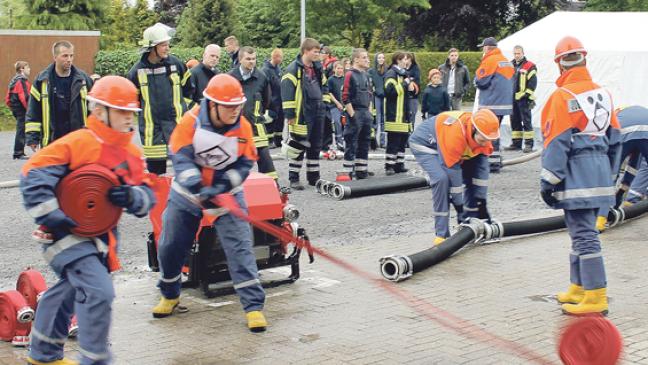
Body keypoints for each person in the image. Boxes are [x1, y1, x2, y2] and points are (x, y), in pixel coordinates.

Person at [21, 76, 156, 365]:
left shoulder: (130, 153)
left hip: (99, 239)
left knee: (70, 289)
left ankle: (43, 354)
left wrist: (132, 197)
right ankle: (95, 359)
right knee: (99, 291)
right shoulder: (78, 143)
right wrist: (51, 214)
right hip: (62, 235)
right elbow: (33, 175)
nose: (129, 118)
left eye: (132, 112)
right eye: (122, 111)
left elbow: (147, 197)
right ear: (98, 111)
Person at [153, 74, 267, 332]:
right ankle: (170, 294)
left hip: (226, 196)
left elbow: (246, 161)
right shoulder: (190, 122)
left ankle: (254, 308)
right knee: (170, 245)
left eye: (238, 106)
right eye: (229, 107)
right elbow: (180, 157)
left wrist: (224, 185)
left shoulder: (243, 127)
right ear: (212, 105)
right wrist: (197, 184)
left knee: (240, 249)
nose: (235, 111)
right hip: (187, 195)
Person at [541, 36, 620, 316]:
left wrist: (548, 180)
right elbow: (615, 138)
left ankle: (596, 295)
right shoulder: (603, 94)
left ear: (559, 65)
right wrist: (608, 173)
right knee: (578, 232)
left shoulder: (562, 97)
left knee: (585, 235)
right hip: (598, 172)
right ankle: (579, 287)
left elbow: (557, 143)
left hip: (576, 174)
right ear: (584, 59)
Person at [409, 109, 500, 245]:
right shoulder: (455, 135)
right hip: (426, 146)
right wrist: (459, 206)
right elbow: (454, 176)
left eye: (488, 140)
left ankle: (472, 225)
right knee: (441, 179)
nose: (485, 143)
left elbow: (480, 175)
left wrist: (481, 203)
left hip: (449, 146)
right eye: (483, 139)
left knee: (471, 177)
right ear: (474, 129)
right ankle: (442, 234)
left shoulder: (484, 136)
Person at [127, 23, 193, 175]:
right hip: (152, 132)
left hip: (177, 128)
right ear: (152, 47)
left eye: (167, 44)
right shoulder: (136, 72)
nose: (167, 48)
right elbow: (133, 103)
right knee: (155, 178)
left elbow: (189, 91)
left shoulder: (176, 65)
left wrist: (184, 112)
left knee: (184, 173)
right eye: (163, 45)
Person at [280, 38, 330, 190]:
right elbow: (287, 93)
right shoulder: (293, 69)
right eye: (315, 52)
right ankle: (293, 178)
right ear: (305, 51)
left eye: (318, 51)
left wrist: (325, 104)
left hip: (317, 111)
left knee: (315, 145)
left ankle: (313, 177)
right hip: (301, 113)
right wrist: (290, 114)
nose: (317, 54)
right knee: (298, 145)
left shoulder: (317, 68)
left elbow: (325, 86)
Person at [25, 41, 93, 150]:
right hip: (52, 141)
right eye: (65, 56)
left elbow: (93, 109)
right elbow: (33, 110)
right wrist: (32, 137)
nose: (69, 59)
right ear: (55, 57)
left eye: (71, 55)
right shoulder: (42, 81)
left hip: (78, 142)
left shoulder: (83, 79)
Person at [596, 105, 648, 231]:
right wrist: (622, 191)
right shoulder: (632, 110)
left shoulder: (612, 117)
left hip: (623, 133)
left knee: (610, 176)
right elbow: (633, 168)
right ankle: (629, 204)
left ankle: (600, 220)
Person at [229, 46, 277, 181]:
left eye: (254, 59)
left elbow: (267, 100)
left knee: (266, 162)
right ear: (240, 60)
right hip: (236, 128)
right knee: (235, 163)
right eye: (248, 59)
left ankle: (273, 189)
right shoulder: (230, 77)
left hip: (257, 127)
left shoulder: (261, 77)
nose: (252, 62)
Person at [474, 37, 514, 173]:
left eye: (483, 48)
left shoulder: (490, 60)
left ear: (487, 48)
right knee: (495, 131)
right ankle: (496, 161)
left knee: (488, 132)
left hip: (491, 103)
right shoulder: (505, 61)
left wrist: (476, 79)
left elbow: (481, 80)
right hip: (504, 104)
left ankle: (491, 163)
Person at [384, 51, 418, 175]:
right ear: (397, 60)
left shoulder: (405, 74)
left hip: (404, 114)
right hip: (394, 114)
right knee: (393, 141)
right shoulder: (391, 73)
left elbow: (408, 92)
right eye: (404, 59)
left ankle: (399, 164)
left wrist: (412, 89)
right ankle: (389, 166)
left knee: (402, 141)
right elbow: (389, 91)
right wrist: (404, 84)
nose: (407, 61)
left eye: (407, 59)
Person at [341, 48, 373, 179]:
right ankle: (348, 172)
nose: (367, 60)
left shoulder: (366, 75)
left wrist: (369, 113)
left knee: (365, 143)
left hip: (366, 113)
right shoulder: (350, 75)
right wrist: (352, 115)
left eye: (367, 57)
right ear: (356, 59)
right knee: (351, 143)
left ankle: (362, 171)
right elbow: (345, 97)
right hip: (356, 112)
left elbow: (370, 94)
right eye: (364, 57)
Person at [506, 45, 537, 153]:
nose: (516, 55)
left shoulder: (530, 66)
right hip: (513, 99)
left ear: (523, 53)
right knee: (514, 121)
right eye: (515, 53)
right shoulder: (510, 65)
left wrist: (526, 95)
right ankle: (516, 143)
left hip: (524, 99)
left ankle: (529, 144)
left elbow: (533, 83)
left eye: (518, 53)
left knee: (526, 121)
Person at [5, 60, 31, 159]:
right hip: (21, 109)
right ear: (22, 69)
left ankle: (20, 152)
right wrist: (30, 110)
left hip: (16, 108)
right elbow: (24, 97)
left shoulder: (15, 80)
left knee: (22, 129)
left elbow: (8, 97)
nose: (29, 69)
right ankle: (18, 153)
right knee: (21, 129)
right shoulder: (21, 80)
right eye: (28, 67)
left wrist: (11, 107)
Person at [261, 48, 284, 147]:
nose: (281, 60)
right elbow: (265, 88)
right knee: (269, 122)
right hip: (271, 102)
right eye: (280, 57)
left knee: (280, 122)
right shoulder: (266, 70)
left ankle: (278, 141)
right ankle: (269, 141)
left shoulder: (278, 68)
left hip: (280, 101)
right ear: (275, 57)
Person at [369, 52, 387, 147]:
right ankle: (373, 141)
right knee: (376, 118)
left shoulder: (387, 71)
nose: (381, 59)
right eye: (379, 57)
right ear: (376, 59)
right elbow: (370, 84)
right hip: (375, 97)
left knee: (384, 120)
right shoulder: (371, 71)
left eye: (382, 58)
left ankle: (383, 142)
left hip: (385, 97)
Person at [404, 52, 421, 128]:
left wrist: (409, 81)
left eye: (406, 59)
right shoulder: (402, 68)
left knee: (412, 115)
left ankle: (411, 132)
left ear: (410, 59)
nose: (404, 60)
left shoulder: (415, 68)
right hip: (404, 96)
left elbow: (416, 81)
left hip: (413, 97)